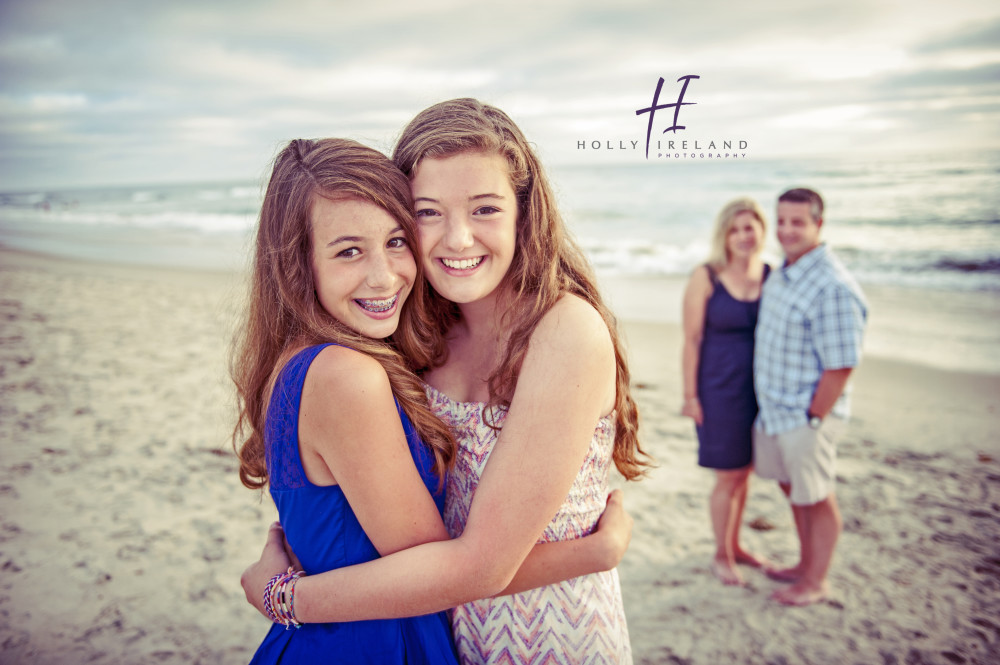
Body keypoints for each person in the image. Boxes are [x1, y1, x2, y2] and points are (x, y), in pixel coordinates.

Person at [242, 99, 650, 664]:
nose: (458, 239)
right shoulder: (415, 331)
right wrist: (596, 550)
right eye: (429, 213)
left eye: (484, 209)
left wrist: (289, 596)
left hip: (550, 639)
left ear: (523, 213)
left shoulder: (564, 333)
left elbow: (482, 561)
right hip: (436, 637)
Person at [753, 187, 867, 606]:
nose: (786, 230)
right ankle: (804, 564)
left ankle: (817, 580)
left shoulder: (833, 286)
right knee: (795, 490)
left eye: (797, 222)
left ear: (819, 224)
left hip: (807, 415)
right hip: (775, 409)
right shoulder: (785, 270)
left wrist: (814, 417)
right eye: (781, 221)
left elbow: (841, 365)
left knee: (817, 496)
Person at [681, 198, 771, 586]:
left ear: (761, 231)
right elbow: (692, 340)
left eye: (750, 228)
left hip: (762, 391)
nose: (743, 236)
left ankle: (735, 545)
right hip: (718, 390)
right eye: (735, 229)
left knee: (745, 473)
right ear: (724, 235)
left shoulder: (772, 275)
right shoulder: (707, 276)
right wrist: (690, 396)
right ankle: (721, 554)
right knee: (727, 476)